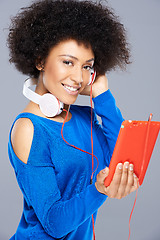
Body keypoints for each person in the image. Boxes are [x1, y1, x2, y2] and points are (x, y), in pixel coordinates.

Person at [7, 0, 139, 239]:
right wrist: (99, 190)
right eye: (68, 62)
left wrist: (103, 96)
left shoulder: (85, 117)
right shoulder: (28, 129)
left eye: (87, 66)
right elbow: (54, 223)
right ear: (40, 60)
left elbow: (121, 158)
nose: (79, 77)